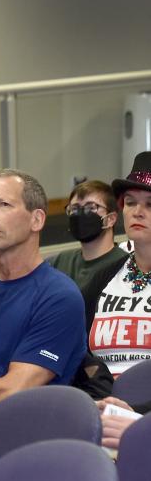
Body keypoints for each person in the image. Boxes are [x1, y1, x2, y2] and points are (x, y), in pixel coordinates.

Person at [0, 169, 86, 433]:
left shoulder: (58, 297)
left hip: (5, 442)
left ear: (36, 220)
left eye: (4, 204)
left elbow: (13, 391)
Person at [82, 152, 151, 377]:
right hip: (104, 403)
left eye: (150, 204)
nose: (137, 212)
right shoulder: (102, 278)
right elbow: (79, 354)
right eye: (130, 203)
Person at [50, 180, 126, 291]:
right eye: (75, 209)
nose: (80, 214)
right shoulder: (59, 262)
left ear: (110, 219)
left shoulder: (124, 265)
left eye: (91, 208)